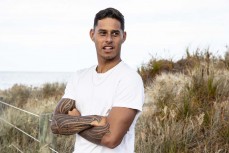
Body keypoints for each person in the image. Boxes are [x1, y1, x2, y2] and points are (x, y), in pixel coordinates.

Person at [51, 7, 144, 153]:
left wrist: (75, 123)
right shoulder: (79, 77)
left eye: (115, 33)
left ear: (123, 36)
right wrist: (92, 119)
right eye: (103, 33)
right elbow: (56, 124)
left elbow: (111, 139)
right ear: (92, 34)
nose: (108, 39)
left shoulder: (129, 79)